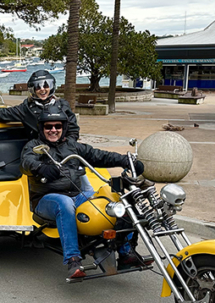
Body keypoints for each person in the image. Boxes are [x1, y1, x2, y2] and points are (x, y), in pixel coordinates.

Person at [20, 107, 145, 280]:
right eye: (49, 126)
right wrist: (41, 167)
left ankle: (126, 252)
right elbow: (26, 161)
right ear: (42, 128)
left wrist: (126, 160)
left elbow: (98, 155)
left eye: (57, 126)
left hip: (76, 195)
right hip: (46, 200)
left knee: (113, 202)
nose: (53, 130)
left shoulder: (72, 146)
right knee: (64, 204)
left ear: (63, 127)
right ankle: (73, 260)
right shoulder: (34, 146)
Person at [0, 70, 92, 198]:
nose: (42, 90)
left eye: (46, 86)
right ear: (33, 89)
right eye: (38, 87)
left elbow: (73, 129)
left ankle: (88, 197)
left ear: (52, 87)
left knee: (80, 174)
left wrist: (68, 145)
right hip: (40, 151)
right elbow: (3, 114)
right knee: (41, 175)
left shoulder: (62, 105)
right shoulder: (26, 108)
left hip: (63, 148)